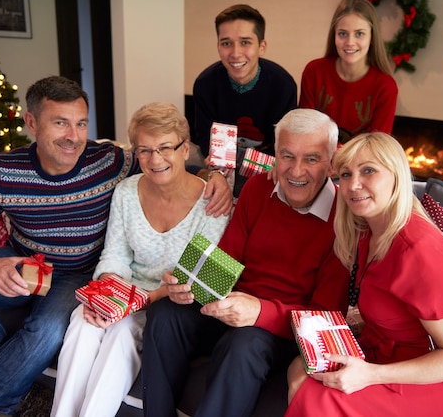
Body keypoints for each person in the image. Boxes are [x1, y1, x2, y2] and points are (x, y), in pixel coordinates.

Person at [0, 76, 232, 417]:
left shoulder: (110, 161)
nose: (73, 136)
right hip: (34, 265)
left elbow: (169, 167)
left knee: (75, 330)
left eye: (81, 124)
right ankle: (4, 392)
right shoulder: (4, 171)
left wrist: (214, 174)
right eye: (60, 123)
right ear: (31, 123)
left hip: (111, 285)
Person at [141, 108, 350, 417]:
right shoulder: (257, 189)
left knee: (244, 343)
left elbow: (325, 317)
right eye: (287, 156)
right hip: (232, 307)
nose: (296, 171)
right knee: (165, 314)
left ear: (331, 163)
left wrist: (260, 312)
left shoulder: (344, 217)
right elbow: (227, 256)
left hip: (285, 330)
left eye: (311, 159)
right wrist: (190, 284)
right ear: (275, 154)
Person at [285, 133, 443, 416]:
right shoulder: (367, 231)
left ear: (397, 177)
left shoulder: (419, 250)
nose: (353, 185)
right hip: (389, 355)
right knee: (301, 369)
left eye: (369, 171)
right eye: (347, 173)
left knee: (318, 397)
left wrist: (370, 374)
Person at [50, 102, 229, 417]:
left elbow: (193, 277)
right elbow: (115, 255)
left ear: (185, 149)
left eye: (164, 148)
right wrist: (107, 297)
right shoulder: (126, 192)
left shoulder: (211, 203)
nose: (155, 159)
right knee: (83, 321)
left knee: (121, 333)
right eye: (144, 150)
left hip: (166, 303)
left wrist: (139, 302)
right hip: (122, 293)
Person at [192, 3, 298, 196]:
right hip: (220, 163)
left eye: (245, 42)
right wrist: (214, 160)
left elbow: (285, 141)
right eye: (226, 43)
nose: (235, 53)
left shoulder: (282, 85)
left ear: (262, 47)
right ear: (218, 47)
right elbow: (203, 135)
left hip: (266, 164)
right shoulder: (205, 84)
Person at [299, 0, 398, 143]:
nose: (350, 42)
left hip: (359, 163)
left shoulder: (386, 87)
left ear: (372, 38)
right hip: (316, 158)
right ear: (334, 36)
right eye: (343, 34)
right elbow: (304, 131)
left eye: (359, 34)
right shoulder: (314, 72)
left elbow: (377, 147)